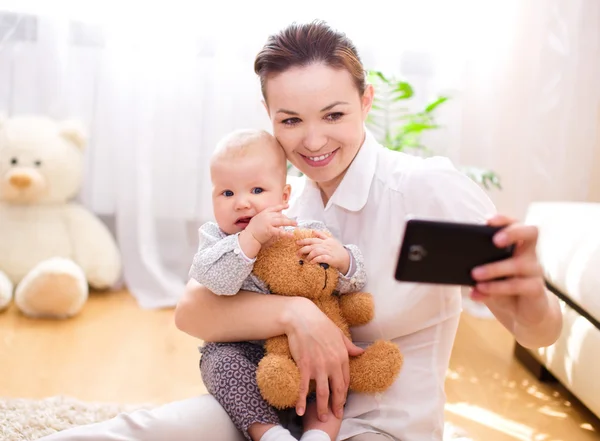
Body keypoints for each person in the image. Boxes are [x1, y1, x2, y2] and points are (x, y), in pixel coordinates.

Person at [39, 19, 562, 441]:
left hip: (383, 425)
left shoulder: (427, 189)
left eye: (333, 114)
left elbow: (539, 333)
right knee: (139, 432)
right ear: (269, 116)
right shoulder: (284, 198)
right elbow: (191, 311)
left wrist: (530, 291)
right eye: (290, 121)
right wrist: (297, 313)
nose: (313, 141)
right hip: (275, 411)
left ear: (366, 101)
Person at [189, 128, 368, 441]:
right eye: (227, 193)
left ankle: (319, 434)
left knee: (332, 370)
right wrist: (250, 239)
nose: (242, 204)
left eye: (257, 190)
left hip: (302, 352)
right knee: (219, 363)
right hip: (243, 350)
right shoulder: (216, 239)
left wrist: (344, 261)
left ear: (284, 197)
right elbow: (214, 281)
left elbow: (344, 285)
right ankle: (269, 433)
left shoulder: (304, 231)